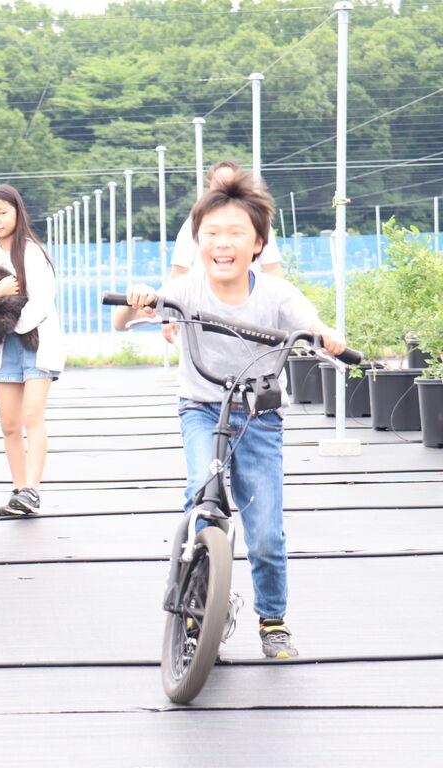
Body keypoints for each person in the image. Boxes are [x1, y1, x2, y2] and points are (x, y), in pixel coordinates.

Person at [113, 168, 346, 659]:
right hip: (201, 408)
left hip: (259, 416)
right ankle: (195, 611)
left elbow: (313, 324)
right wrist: (136, 300)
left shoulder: (276, 294)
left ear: (258, 243)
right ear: (197, 241)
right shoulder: (187, 290)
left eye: (236, 233)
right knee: (201, 497)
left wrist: (327, 336)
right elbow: (123, 320)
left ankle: (273, 620)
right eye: (212, 233)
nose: (223, 242)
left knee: (265, 531)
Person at [0, 185, 65, 516]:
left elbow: (41, 301)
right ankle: (18, 489)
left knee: (31, 416)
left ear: (17, 213)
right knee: (9, 423)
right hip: (4, 346)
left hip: (35, 342)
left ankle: (32, 490)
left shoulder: (32, 252)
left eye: (3, 213)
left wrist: (7, 322)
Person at [163, 160, 284, 344]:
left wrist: (275, 314)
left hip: (251, 318)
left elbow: (272, 268)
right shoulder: (194, 223)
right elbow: (179, 271)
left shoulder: (256, 222)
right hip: (202, 319)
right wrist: (168, 316)